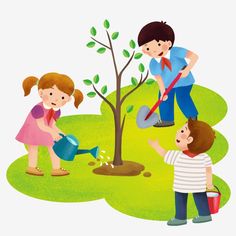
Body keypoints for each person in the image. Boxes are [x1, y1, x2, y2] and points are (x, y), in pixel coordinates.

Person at [149, 119, 215, 226]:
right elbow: (208, 171)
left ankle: (180, 218)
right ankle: (204, 215)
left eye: (182, 131)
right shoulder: (204, 157)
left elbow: (164, 154)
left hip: (181, 186)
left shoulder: (178, 156)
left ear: (189, 140)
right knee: (200, 198)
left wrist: (156, 146)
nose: (177, 132)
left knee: (180, 200)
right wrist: (209, 183)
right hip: (198, 186)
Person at [16, 72, 83, 176]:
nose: (56, 100)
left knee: (53, 148)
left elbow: (52, 125)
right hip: (33, 129)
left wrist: (62, 134)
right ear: (41, 92)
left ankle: (56, 169)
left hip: (46, 129)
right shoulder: (38, 108)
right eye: (51, 94)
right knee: (33, 148)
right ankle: (31, 167)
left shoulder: (56, 111)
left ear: (68, 100)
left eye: (62, 98)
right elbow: (41, 125)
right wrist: (53, 133)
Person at [138, 21, 198, 127]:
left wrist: (187, 69)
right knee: (164, 99)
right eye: (148, 48)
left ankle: (192, 118)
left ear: (169, 43)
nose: (153, 51)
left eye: (158, 45)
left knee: (182, 97)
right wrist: (162, 91)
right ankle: (167, 120)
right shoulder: (153, 63)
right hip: (167, 84)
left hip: (183, 81)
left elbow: (194, 56)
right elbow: (159, 78)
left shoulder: (176, 52)